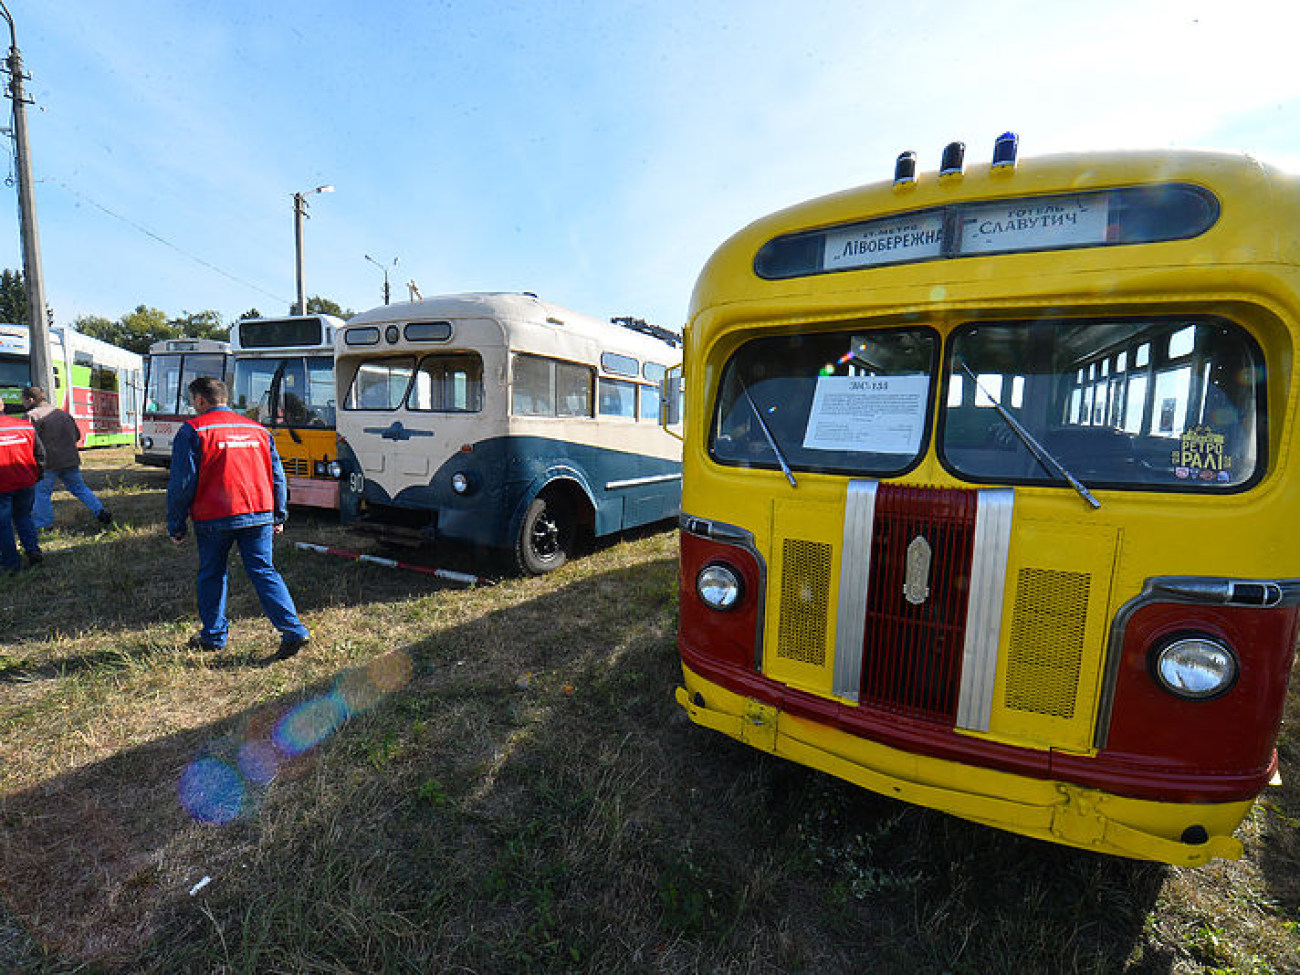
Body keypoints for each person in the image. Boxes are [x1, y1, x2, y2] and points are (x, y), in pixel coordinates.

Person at [166, 376, 310, 660]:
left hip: (214, 517)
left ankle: (214, 636)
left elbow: (182, 483)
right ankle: (293, 630)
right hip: (258, 513)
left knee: (212, 574)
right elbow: (277, 476)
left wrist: (176, 523)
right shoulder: (258, 430)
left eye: (192, 401)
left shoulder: (193, 430)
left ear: (200, 400)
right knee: (264, 571)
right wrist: (278, 514)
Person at [21, 386, 113, 531]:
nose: (23, 404)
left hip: (48, 463)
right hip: (70, 460)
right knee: (79, 488)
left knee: (42, 493)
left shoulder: (32, 416)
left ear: (31, 400)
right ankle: (100, 510)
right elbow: (77, 436)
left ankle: (43, 525)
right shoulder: (63, 414)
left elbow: (28, 441)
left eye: (23, 400)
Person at [0, 410, 44, 574]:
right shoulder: (26, 426)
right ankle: (33, 550)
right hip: (25, 482)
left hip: (2, 485)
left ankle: (11, 562)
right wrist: (38, 475)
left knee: (3, 525)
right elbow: (40, 454)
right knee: (24, 516)